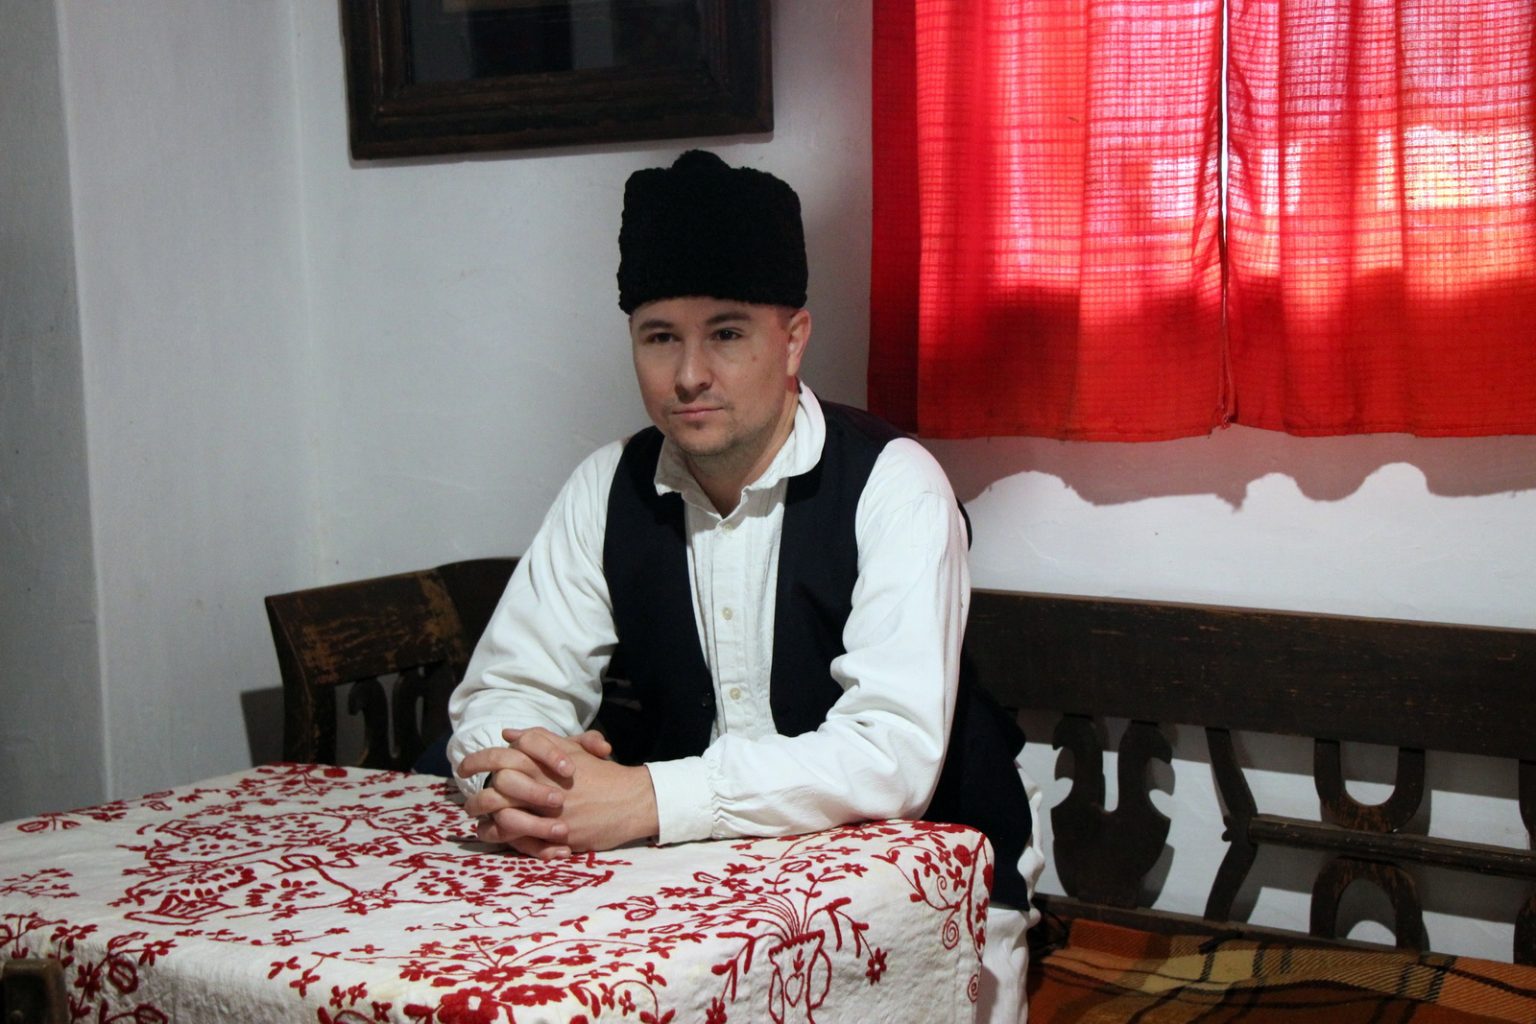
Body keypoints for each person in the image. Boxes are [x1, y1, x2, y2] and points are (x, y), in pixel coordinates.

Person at [447, 149, 1044, 1021]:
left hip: (924, 890)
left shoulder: (894, 484)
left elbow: (891, 756)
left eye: (726, 334)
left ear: (793, 339)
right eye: (660, 337)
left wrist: (648, 797)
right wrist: (520, 782)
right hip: (694, 892)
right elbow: (504, 691)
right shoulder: (605, 488)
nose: (689, 373)